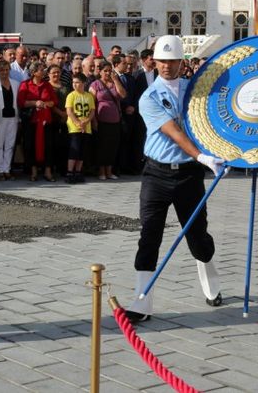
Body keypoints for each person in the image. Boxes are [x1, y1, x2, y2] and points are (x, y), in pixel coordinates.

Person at [125, 35, 225, 324]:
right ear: (153, 62)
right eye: (162, 61)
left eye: (172, 61)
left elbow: (214, 121)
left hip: (189, 176)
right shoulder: (149, 97)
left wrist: (223, 152)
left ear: (182, 62)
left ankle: (212, 286)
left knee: (198, 237)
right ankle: (141, 303)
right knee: (149, 236)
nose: (167, 66)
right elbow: (173, 131)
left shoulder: (196, 91)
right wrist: (202, 156)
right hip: (157, 174)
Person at [17, 61, 56, 181]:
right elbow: (21, 102)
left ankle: (48, 171)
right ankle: (33, 171)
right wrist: (35, 103)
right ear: (33, 73)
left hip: (46, 120)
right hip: (31, 120)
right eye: (40, 69)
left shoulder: (47, 85)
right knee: (30, 145)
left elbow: (54, 101)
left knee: (48, 145)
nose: (43, 71)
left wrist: (45, 104)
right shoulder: (25, 84)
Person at [90, 61, 126, 181]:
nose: (107, 73)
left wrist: (115, 80)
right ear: (99, 71)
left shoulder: (115, 82)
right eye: (105, 70)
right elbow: (92, 104)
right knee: (102, 146)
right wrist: (94, 120)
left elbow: (123, 95)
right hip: (101, 120)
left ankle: (109, 171)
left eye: (109, 70)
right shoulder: (95, 84)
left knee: (112, 146)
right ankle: (101, 171)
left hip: (115, 121)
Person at [0, 60, 19, 180]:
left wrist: (19, 119)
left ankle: (7, 169)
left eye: (7, 70)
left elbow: (18, 103)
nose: (4, 72)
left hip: (13, 118)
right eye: (2, 70)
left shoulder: (16, 83)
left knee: (10, 145)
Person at [65, 72, 95, 184]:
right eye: (73, 82)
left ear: (83, 83)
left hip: (86, 127)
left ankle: (78, 172)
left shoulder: (89, 96)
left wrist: (86, 121)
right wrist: (78, 123)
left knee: (82, 151)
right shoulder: (71, 95)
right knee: (74, 150)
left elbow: (92, 111)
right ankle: (69, 172)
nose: (75, 85)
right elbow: (69, 111)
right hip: (74, 128)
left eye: (77, 82)